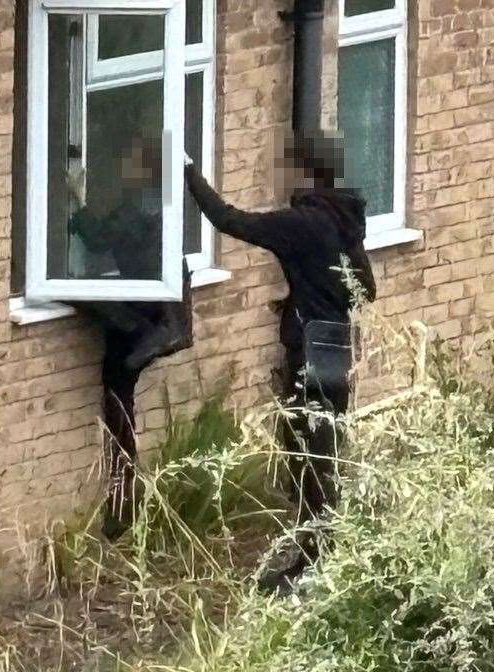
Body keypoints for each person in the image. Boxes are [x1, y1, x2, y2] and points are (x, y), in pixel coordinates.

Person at [184, 129, 376, 593]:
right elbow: (365, 289)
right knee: (322, 453)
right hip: (336, 350)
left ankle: (313, 565)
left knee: (307, 459)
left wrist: (187, 172)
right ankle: (323, 551)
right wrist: (302, 295)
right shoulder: (344, 221)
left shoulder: (303, 222)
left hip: (308, 355)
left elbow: (232, 221)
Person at [67, 138, 193, 541]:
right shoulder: (160, 203)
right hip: (157, 314)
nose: (121, 166)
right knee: (120, 401)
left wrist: (76, 196)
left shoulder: (139, 207)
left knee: (118, 400)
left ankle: (123, 507)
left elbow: (99, 238)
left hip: (144, 319)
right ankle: (124, 505)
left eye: (130, 160)